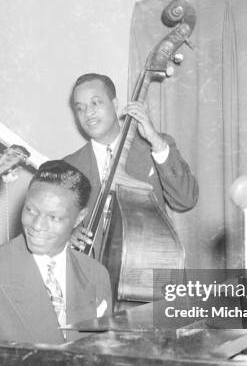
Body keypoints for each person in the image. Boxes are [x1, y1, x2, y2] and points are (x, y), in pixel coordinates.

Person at [0, 160, 112, 366]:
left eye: (54, 217)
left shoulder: (96, 274)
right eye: (31, 210)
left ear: (80, 217)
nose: (37, 225)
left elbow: (103, 355)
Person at [63, 73, 199, 250]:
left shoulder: (154, 146)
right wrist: (67, 234)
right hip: (95, 273)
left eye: (95, 103)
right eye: (80, 108)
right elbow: (58, 221)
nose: (88, 113)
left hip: (150, 266)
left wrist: (156, 142)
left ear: (115, 104)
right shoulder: (69, 166)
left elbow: (186, 199)